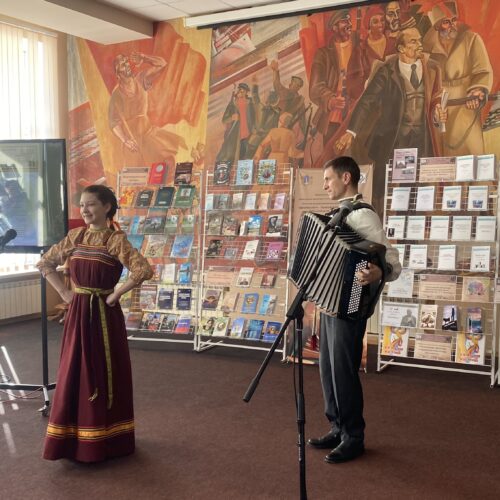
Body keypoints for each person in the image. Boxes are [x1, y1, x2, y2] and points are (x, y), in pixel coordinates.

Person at [36, 185, 153, 462]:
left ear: (107, 207)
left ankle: (104, 440)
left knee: (99, 370)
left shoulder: (115, 240)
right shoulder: (76, 236)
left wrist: (115, 294)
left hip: (103, 315)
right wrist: (65, 293)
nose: (85, 210)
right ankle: (71, 439)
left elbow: (143, 269)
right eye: (82, 205)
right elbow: (45, 263)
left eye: (91, 204)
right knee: (74, 369)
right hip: (78, 312)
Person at [307, 156, 401, 464]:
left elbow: (392, 260)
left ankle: (353, 437)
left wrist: (379, 271)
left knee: (343, 371)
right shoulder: (337, 214)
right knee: (327, 369)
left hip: (351, 304)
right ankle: (337, 427)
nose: (325, 185)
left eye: (328, 179)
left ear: (346, 178)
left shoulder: (363, 216)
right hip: (330, 303)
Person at [335, 23, 447, 213]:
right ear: (401, 48)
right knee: (385, 189)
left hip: (421, 139)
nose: (420, 44)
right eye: (414, 41)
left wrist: (438, 113)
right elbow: (367, 101)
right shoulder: (387, 71)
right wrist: (351, 132)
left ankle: (411, 226)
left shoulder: (431, 68)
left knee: (417, 188)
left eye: (419, 40)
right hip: (393, 140)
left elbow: (436, 99)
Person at [422, 1, 493, 156]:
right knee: (446, 157)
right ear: (437, 25)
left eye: (453, 20)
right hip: (442, 108)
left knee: (472, 151)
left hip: (466, 104)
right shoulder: (427, 48)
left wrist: (477, 90)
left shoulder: (471, 39)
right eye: (446, 22)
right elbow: (427, 84)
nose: (452, 25)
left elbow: (483, 70)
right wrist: (434, 109)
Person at [108, 52, 186, 168]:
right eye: (122, 64)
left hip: (148, 134)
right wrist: (125, 140)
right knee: (140, 175)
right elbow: (113, 122)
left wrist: (144, 58)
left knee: (166, 164)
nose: (127, 65)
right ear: (117, 72)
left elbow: (162, 64)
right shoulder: (117, 94)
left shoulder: (141, 79)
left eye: (126, 62)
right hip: (133, 143)